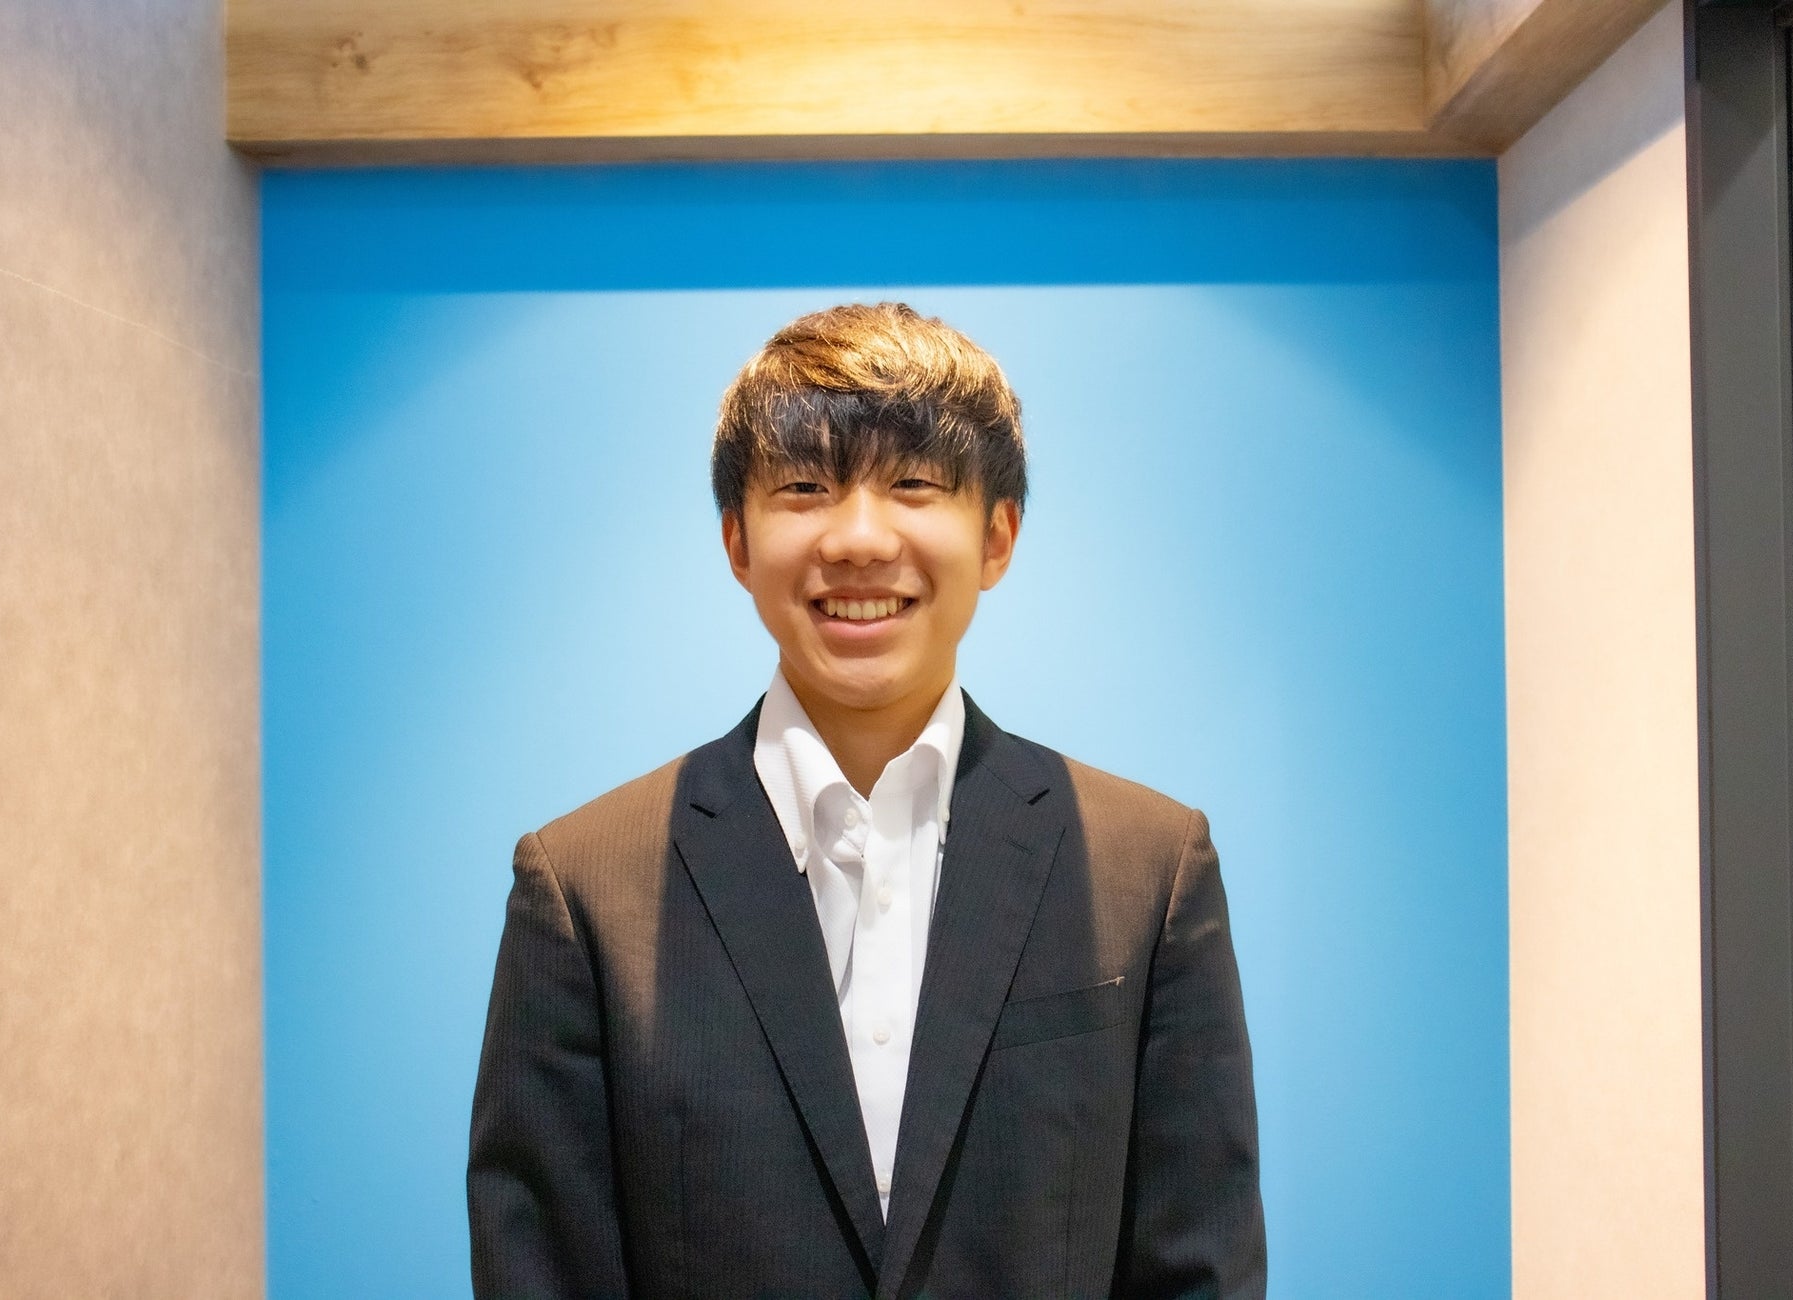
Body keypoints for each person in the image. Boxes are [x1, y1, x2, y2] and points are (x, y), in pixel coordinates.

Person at [467, 302, 1265, 1298]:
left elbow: (1200, 1270)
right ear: (736, 542)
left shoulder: (1147, 866)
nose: (856, 537)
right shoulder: (585, 887)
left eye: (913, 484)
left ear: (998, 537)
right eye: (804, 487)